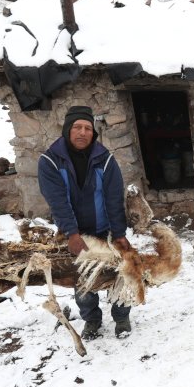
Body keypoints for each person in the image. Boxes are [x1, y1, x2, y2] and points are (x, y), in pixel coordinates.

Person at [38, 105, 135, 340]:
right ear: (67, 130)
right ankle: (92, 319)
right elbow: (58, 201)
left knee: (121, 274)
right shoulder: (50, 161)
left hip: (104, 230)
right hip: (75, 233)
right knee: (82, 279)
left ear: (94, 132)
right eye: (77, 127)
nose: (82, 132)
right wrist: (72, 233)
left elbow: (113, 198)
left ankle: (121, 316)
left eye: (88, 128)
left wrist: (119, 233)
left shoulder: (105, 159)